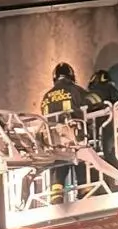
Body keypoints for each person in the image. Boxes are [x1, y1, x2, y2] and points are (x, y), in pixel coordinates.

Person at [39, 62, 101, 203]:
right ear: (71, 76)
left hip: (54, 141)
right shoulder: (76, 90)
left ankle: (56, 192)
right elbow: (95, 102)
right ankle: (84, 187)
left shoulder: (46, 96)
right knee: (83, 153)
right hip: (75, 137)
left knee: (59, 160)